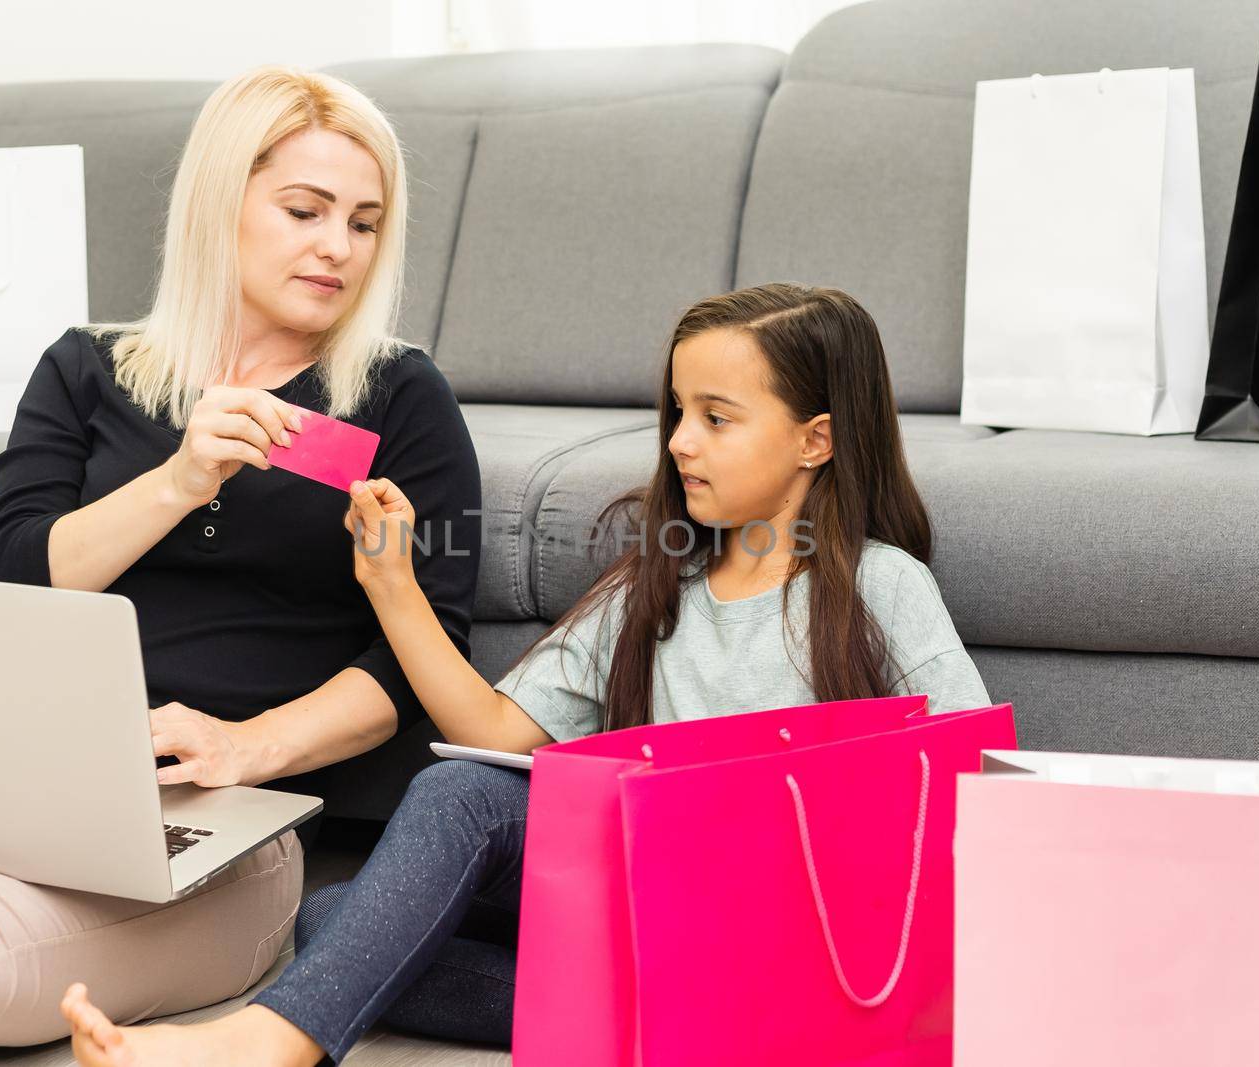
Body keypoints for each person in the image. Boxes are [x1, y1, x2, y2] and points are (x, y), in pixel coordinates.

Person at [62, 282, 990, 1067]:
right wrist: (391, 581)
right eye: (678, 415)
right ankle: (684, 1027)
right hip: (653, 914)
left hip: (796, 932)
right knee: (350, 906)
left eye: (717, 419)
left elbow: (973, 783)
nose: (679, 443)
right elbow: (497, 732)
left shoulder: (880, 583)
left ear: (815, 441)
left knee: (365, 929)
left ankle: (265, 1042)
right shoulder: (658, 583)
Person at [0, 65, 479, 1067]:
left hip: (227, 832)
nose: (337, 245)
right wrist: (180, 477)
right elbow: (13, 579)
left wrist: (247, 746)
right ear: (219, 202)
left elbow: (422, 654)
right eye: (304, 209)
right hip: (22, 783)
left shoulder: (399, 397)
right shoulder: (84, 367)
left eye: (364, 222)